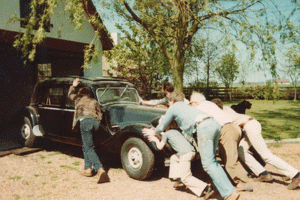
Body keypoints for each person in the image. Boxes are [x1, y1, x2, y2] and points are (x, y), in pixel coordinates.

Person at [143, 91, 239, 200]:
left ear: (171, 101)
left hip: (204, 127)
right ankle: (227, 190)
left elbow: (162, 125)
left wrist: (153, 132)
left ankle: (229, 193)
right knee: (212, 161)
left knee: (208, 163)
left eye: (169, 102)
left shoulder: (173, 108)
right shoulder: (187, 106)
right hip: (215, 124)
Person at [211, 98, 300, 190]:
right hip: (250, 125)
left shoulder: (220, 114)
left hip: (249, 126)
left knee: (266, 155)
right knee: (241, 151)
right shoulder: (226, 108)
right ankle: (263, 173)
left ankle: (295, 174)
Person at [190, 92, 253, 192]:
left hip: (226, 130)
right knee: (225, 156)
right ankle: (236, 180)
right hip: (230, 128)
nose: (191, 105)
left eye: (191, 103)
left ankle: (244, 183)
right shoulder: (209, 104)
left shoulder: (200, 107)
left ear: (195, 102)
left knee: (230, 159)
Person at [148, 117, 214, 199]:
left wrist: (155, 140)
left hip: (185, 155)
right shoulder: (176, 131)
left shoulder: (167, 134)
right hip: (192, 152)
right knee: (174, 158)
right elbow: (165, 134)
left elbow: (160, 147)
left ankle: (207, 188)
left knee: (186, 177)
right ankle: (178, 180)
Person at [68, 78, 107, 184]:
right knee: (86, 146)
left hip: (85, 122)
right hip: (95, 123)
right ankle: (88, 169)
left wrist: (73, 85)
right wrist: (97, 122)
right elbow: (100, 114)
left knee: (88, 147)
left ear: (81, 94)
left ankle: (99, 169)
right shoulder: (94, 101)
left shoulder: (78, 99)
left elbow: (70, 95)